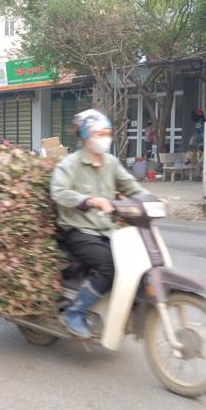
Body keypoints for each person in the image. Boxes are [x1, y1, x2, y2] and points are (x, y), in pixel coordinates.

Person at [50, 109, 149, 339]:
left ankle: (122, 310)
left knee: (136, 261)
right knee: (110, 268)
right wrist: (89, 200)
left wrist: (150, 199)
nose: (105, 137)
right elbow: (58, 192)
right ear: (86, 136)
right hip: (77, 230)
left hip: (105, 229)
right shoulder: (69, 164)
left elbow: (131, 186)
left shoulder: (111, 163)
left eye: (107, 133)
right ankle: (74, 313)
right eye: (100, 133)